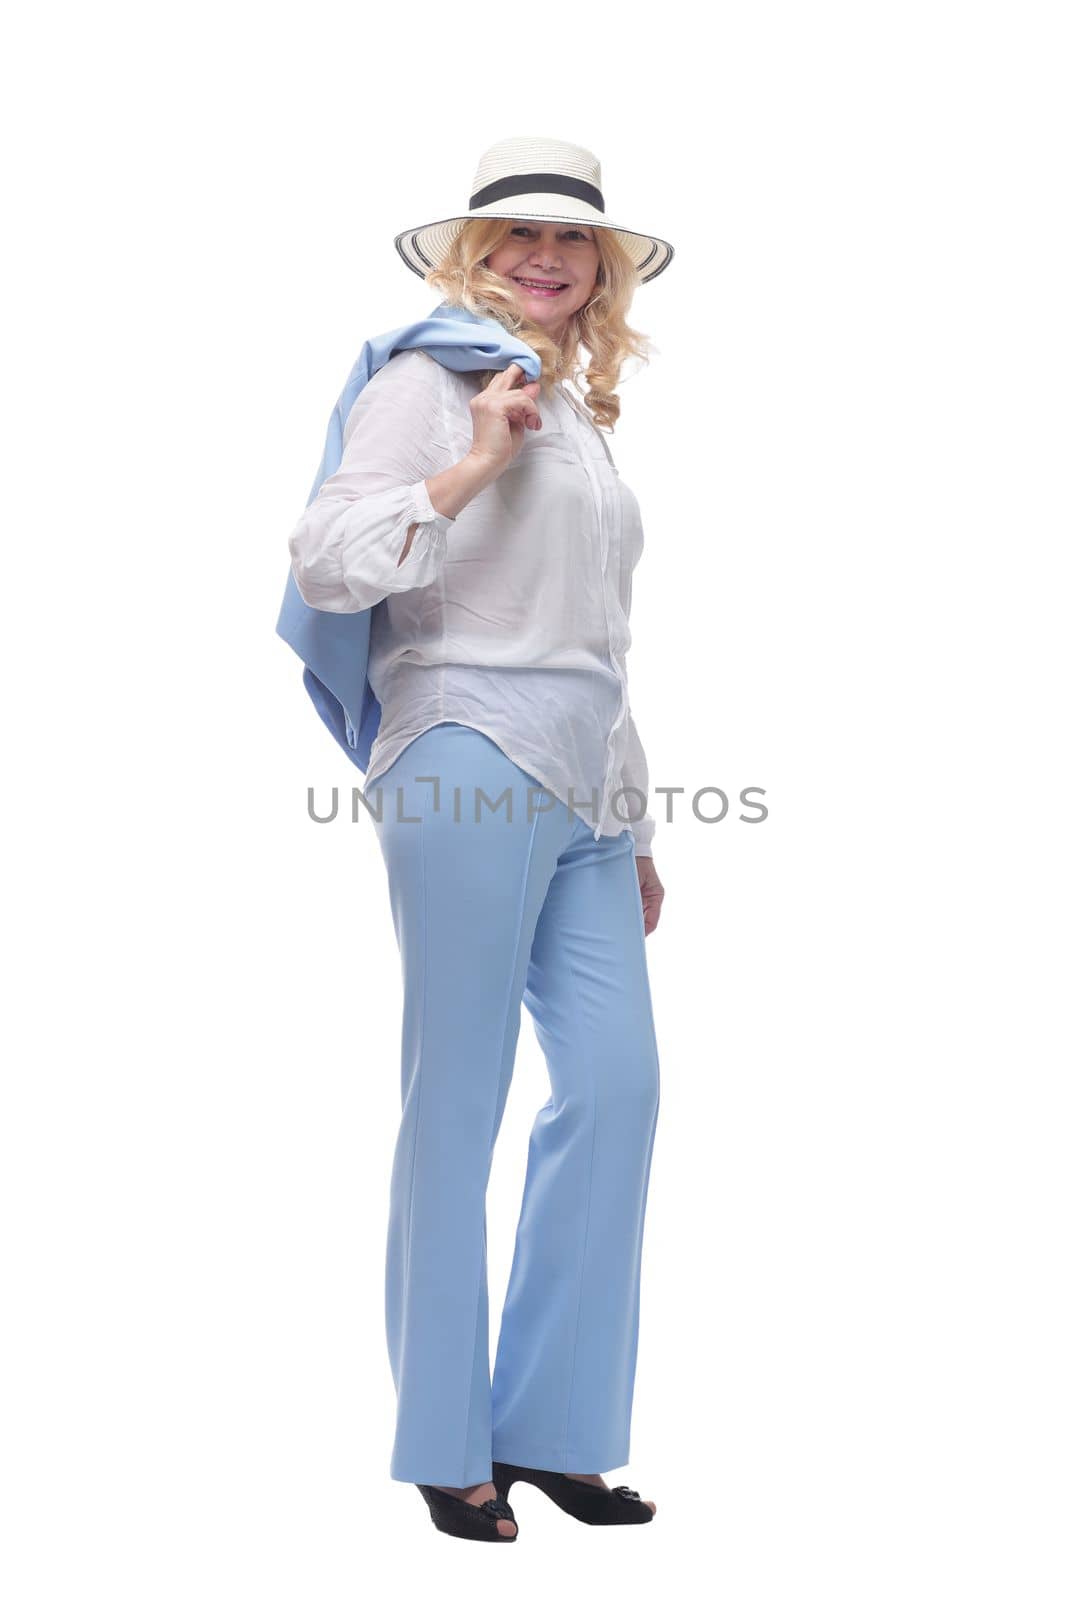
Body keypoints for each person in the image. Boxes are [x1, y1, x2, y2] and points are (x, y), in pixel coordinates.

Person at [287, 135, 674, 1543]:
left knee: (617, 1092)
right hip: (463, 746)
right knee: (458, 1096)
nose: (546, 256)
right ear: (471, 248)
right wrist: (464, 467)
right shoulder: (426, 378)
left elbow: (599, 642)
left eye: (573, 241)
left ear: (602, 267)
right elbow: (327, 555)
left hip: (584, 781)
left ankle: (557, 1427)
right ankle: (448, 1442)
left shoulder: (577, 412)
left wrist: (631, 825)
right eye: (516, 234)